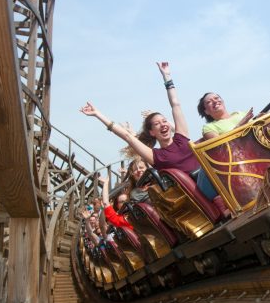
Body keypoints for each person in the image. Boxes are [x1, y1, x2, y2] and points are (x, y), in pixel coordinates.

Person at [81, 62, 219, 200]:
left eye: (164, 121)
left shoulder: (181, 137)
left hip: (211, 178)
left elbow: (175, 104)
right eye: (157, 124)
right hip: (194, 192)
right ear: (152, 132)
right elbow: (127, 136)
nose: (163, 125)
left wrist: (167, 76)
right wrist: (98, 114)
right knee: (210, 171)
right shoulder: (156, 155)